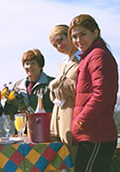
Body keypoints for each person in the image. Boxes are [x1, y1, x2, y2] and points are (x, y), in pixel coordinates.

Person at [68, 14, 118, 172]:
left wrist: (80, 122)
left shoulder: (98, 55)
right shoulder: (90, 56)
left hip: (97, 135)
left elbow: (102, 95)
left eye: (83, 34)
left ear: (95, 33)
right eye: (74, 36)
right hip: (92, 134)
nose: (78, 40)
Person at [48, 24, 80, 163]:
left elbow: (83, 89)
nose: (59, 46)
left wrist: (60, 83)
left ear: (69, 35)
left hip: (74, 118)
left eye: (61, 40)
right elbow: (57, 93)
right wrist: (52, 90)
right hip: (59, 122)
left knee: (76, 162)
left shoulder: (82, 58)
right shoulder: (63, 63)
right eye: (55, 45)